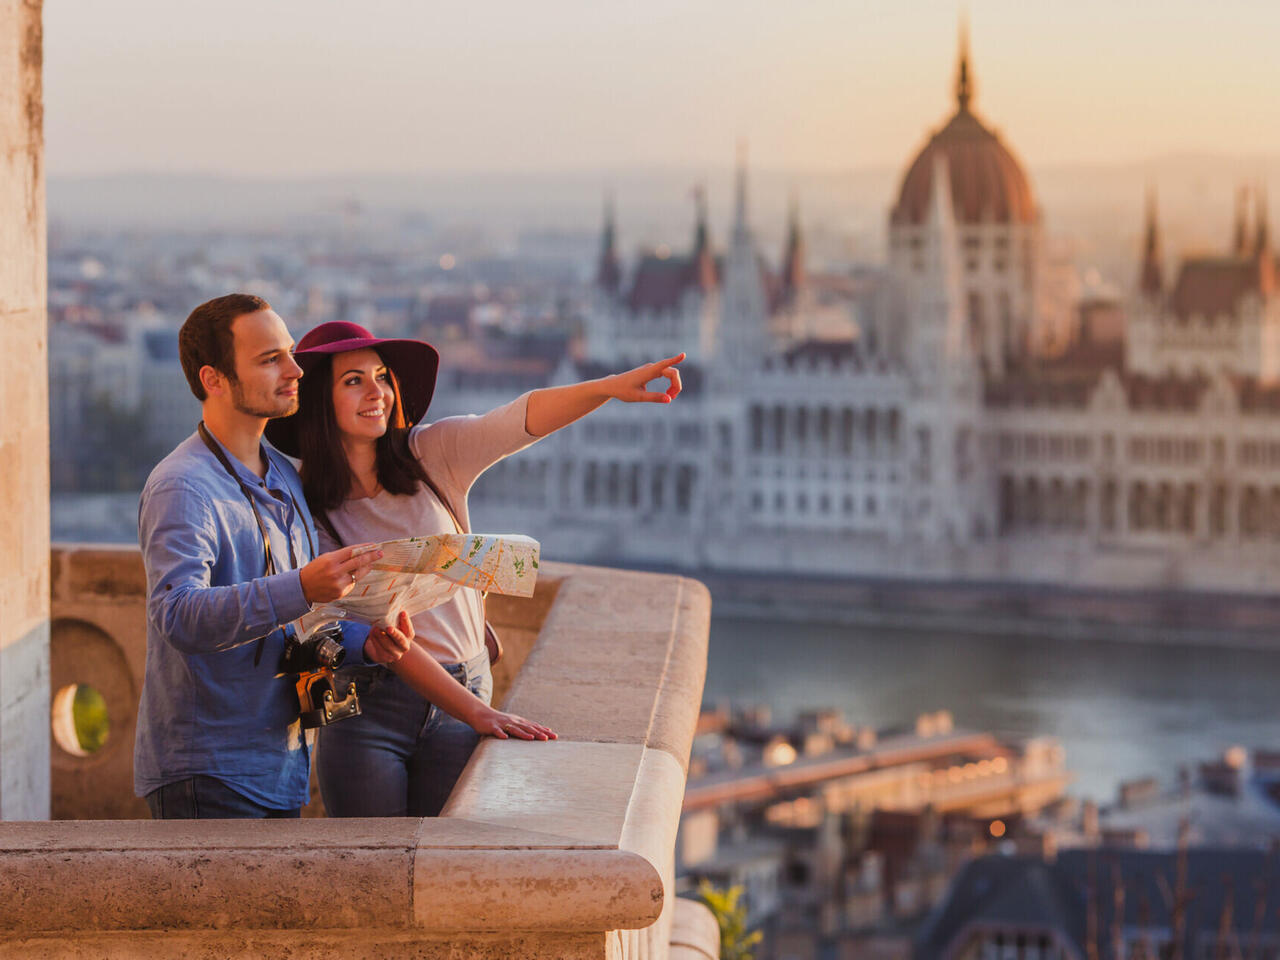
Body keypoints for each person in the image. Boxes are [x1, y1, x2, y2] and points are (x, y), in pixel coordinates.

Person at [264, 321, 684, 817]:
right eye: (353, 380)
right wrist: (479, 713)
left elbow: (518, 419)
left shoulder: (431, 453)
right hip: (368, 703)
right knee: (373, 873)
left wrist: (608, 388)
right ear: (317, 401)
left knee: (445, 870)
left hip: (465, 684)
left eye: (381, 376)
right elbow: (375, 638)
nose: (376, 392)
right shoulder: (304, 501)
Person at [134, 293, 416, 820]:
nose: (295, 370)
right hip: (209, 770)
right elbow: (176, 616)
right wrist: (303, 587)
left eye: (289, 353)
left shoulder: (283, 472)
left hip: (280, 765)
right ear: (213, 379)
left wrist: (365, 643)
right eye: (270, 359)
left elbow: (300, 618)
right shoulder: (182, 486)